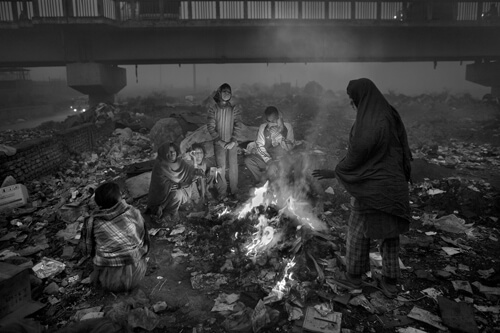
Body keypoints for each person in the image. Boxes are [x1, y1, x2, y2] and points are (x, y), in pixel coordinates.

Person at [312, 78, 412, 298]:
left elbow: (358, 154)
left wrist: (336, 171)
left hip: (371, 189)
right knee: (390, 232)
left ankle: (354, 277)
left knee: (357, 231)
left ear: (361, 98)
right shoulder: (389, 112)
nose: (352, 104)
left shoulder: (369, 120)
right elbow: (401, 149)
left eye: (352, 99)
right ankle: (390, 282)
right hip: (393, 185)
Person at [83, 182, 149, 293]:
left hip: (108, 280)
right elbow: (144, 240)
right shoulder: (133, 212)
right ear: (119, 197)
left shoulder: (91, 222)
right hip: (136, 273)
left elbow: (88, 249)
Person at [146, 142, 203, 225]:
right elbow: (162, 184)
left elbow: (192, 172)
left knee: (183, 189)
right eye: (169, 151)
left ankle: (174, 210)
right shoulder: (160, 165)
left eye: (174, 151)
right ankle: (170, 213)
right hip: (163, 195)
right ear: (164, 153)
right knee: (176, 193)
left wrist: (194, 160)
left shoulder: (181, 162)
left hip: (181, 189)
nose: (172, 153)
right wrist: (178, 185)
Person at [207, 83, 243, 199]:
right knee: (220, 167)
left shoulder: (234, 108)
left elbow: (238, 124)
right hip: (219, 143)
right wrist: (220, 141)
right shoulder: (213, 109)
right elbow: (210, 127)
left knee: (233, 166)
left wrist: (233, 140)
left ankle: (234, 190)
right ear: (219, 92)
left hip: (232, 142)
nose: (226, 94)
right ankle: (222, 191)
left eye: (228, 92)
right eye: (224, 91)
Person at [244, 106, 295, 186]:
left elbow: (289, 148)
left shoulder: (287, 127)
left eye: (274, 120)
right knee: (249, 160)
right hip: (268, 159)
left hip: (283, 160)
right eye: (269, 121)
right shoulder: (263, 127)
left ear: (278, 117)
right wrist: (269, 161)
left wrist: (279, 136)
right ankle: (263, 183)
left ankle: (283, 183)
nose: (271, 123)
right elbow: (260, 147)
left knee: (285, 170)